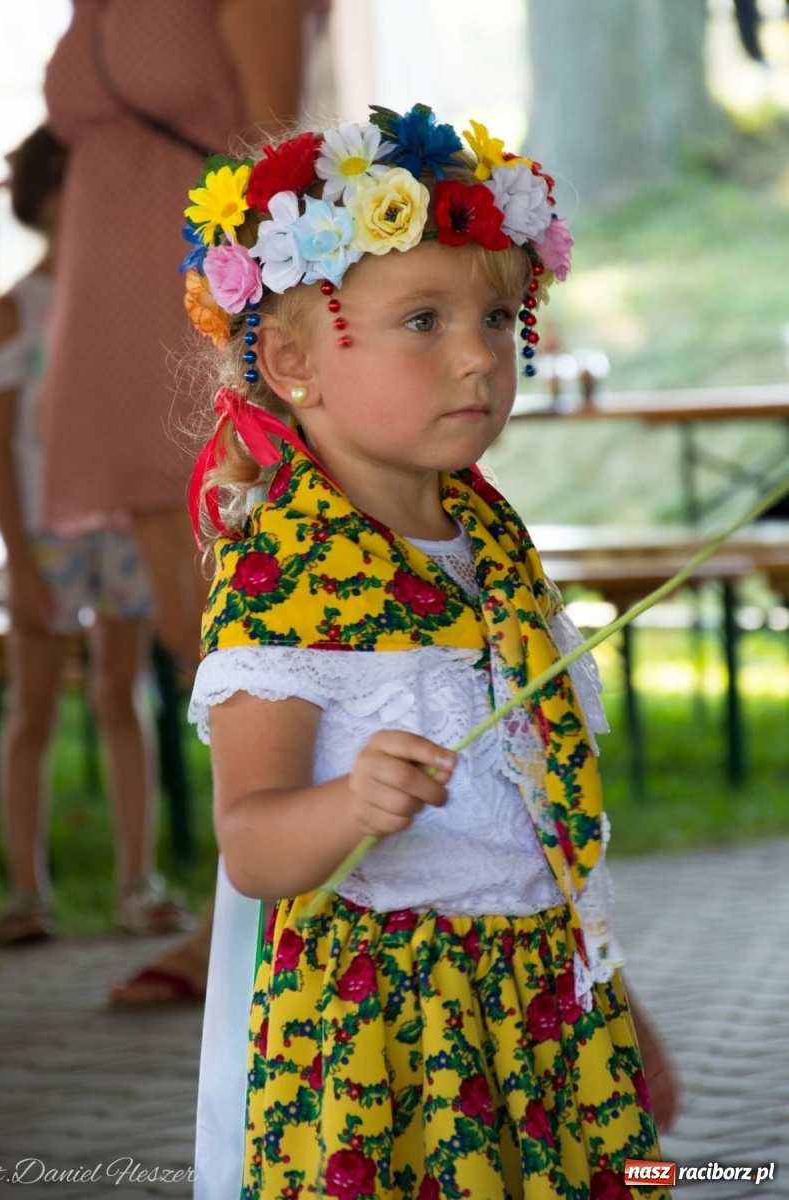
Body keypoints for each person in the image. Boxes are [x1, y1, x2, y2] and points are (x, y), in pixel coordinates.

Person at [184, 105, 679, 1197]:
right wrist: (349, 803)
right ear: (293, 359)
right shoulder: (287, 573)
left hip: (547, 1008)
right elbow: (253, 849)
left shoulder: (490, 534)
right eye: (423, 319)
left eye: (500, 318)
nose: (477, 356)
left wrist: (618, 1002)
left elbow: (536, 822)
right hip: (392, 1036)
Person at [40, 0, 322, 1003]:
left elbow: (279, 151)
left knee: (249, 614)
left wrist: (261, 343)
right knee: (187, 633)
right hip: (106, 316)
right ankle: (248, 902)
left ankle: (252, 920)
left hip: (198, 315)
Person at [0, 125, 190, 944]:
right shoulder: (14, 310)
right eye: (75, 181)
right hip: (42, 534)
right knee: (30, 708)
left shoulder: (126, 303)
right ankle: (26, 892)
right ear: (49, 196)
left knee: (120, 695)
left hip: (125, 522)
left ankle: (140, 881)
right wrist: (18, 558)